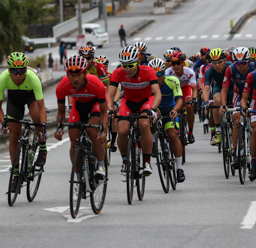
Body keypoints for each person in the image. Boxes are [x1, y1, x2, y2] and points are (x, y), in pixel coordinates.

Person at [54, 56, 109, 202]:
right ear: (67, 75)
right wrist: (59, 128)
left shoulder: (95, 83)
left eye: (79, 74)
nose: (75, 78)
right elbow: (60, 112)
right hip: (79, 107)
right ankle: (78, 178)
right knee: (73, 140)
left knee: (92, 132)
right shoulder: (62, 87)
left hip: (95, 105)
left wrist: (104, 132)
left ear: (85, 73)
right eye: (72, 75)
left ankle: (101, 165)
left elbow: (104, 112)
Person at [0, 52, 48, 193]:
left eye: (21, 71)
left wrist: (43, 126)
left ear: (26, 69)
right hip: (14, 99)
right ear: (9, 70)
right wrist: (3, 122)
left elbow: (42, 108)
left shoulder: (33, 78)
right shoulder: (2, 79)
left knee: (35, 115)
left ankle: (42, 147)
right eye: (14, 71)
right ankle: (16, 173)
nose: (18, 75)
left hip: (31, 96)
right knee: (14, 136)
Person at [106, 46, 162, 179]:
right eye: (124, 66)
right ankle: (125, 162)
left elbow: (157, 93)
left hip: (146, 101)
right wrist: (110, 108)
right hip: (128, 102)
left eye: (130, 65)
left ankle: (147, 162)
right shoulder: (118, 72)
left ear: (137, 62)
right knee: (123, 130)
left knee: (143, 124)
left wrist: (153, 110)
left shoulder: (148, 71)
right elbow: (109, 95)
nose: (127, 69)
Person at [149, 58, 186, 182]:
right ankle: (154, 144)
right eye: (153, 75)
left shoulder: (172, 80)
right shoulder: (147, 84)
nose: (156, 77)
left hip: (170, 108)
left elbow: (180, 99)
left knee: (173, 135)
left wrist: (175, 110)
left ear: (164, 73)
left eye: (159, 74)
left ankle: (179, 168)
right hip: (156, 108)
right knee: (151, 119)